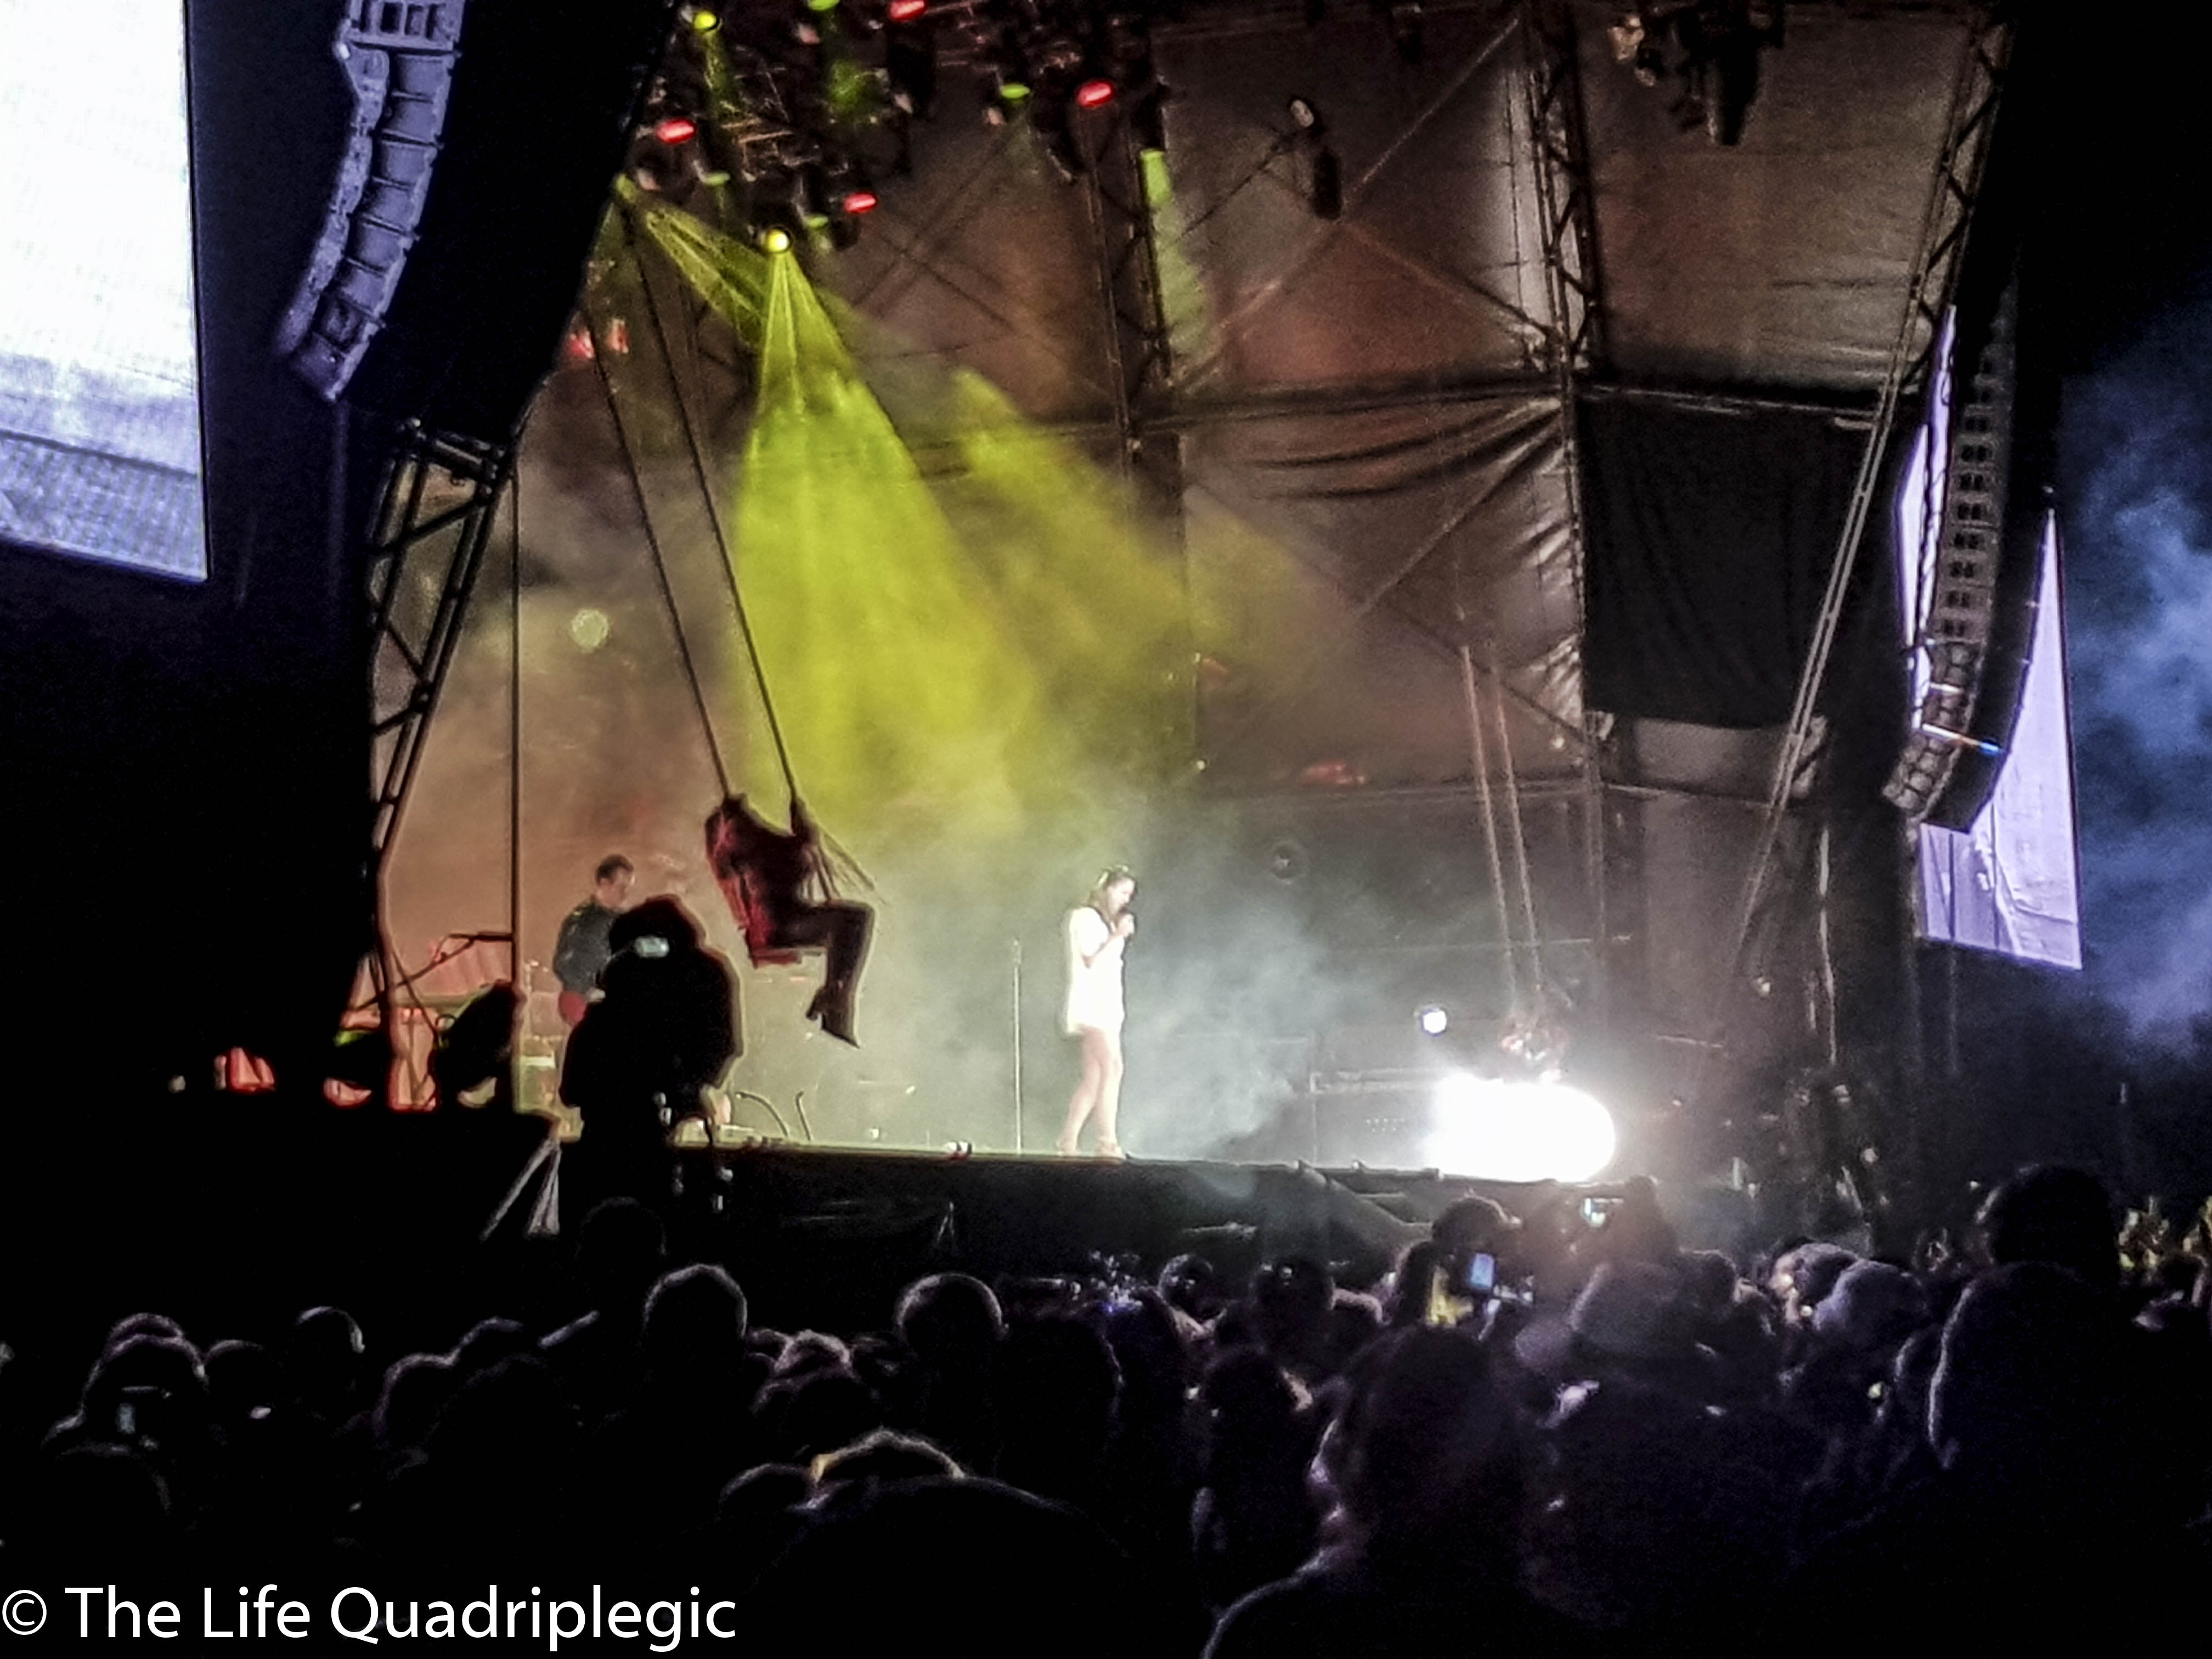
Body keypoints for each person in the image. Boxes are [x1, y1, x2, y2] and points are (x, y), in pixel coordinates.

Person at [558, 896, 737, 1216]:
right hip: (646, 1148)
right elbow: (721, 1046)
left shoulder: (603, 1022)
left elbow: (571, 1092)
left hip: (612, 1151)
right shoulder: (703, 974)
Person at [704, 795, 872, 1046]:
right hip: (778, 926)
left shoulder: (758, 845)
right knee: (852, 921)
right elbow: (781, 857)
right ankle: (835, 995)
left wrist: (802, 834)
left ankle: (835, 993)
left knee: (852, 922)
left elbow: (789, 855)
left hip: (791, 918)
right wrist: (803, 836)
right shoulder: (747, 848)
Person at [1057, 867, 1135, 1159]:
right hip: (1093, 1007)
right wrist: (1119, 934)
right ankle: (1107, 1141)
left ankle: (1068, 1139)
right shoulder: (1085, 918)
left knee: (1094, 1075)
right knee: (1112, 1068)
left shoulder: (1101, 922)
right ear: (1108, 889)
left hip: (1107, 1007)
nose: (1125, 900)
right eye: (1123, 892)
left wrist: (1117, 934)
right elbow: (1091, 958)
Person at [552, 855, 634, 1027]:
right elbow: (564, 965)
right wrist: (591, 991)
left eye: (628, 888)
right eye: (621, 887)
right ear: (604, 884)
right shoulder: (581, 922)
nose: (626, 894)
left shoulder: (626, 922)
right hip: (585, 1003)